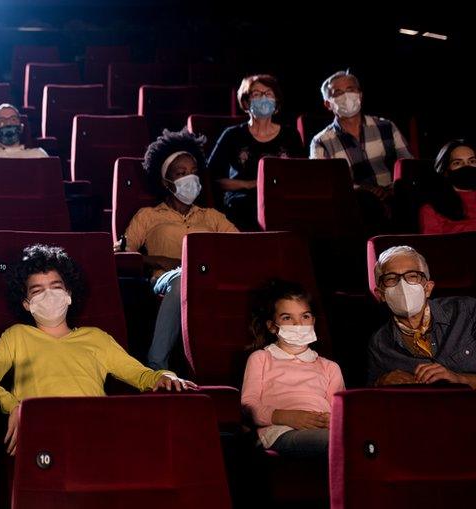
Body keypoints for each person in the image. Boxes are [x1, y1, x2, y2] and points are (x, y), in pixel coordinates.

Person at [0, 244, 196, 455]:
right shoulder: (16, 336)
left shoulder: (97, 337)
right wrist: (14, 407)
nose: (49, 295)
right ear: (26, 303)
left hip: (96, 436)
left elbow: (140, 375)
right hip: (41, 435)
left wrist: (165, 375)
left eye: (56, 287)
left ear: (69, 293)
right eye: (38, 291)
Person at [123, 129, 238, 370]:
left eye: (194, 172)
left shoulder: (213, 217)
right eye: (181, 173)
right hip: (166, 278)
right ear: (167, 181)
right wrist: (158, 260)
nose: (191, 178)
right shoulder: (148, 216)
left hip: (209, 278)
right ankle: (157, 365)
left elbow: (240, 247)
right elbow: (122, 254)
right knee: (181, 280)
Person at [241, 279, 344, 460]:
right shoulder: (261, 359)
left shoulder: (330, 367)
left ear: (313, 320)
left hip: (323, 429)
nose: (298, 324)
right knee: (338, 441)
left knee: (349, 438)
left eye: (305, 316)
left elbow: (341, 410)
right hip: (280, 431)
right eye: (287, 318)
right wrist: (287, 417)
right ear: (272, 326)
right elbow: (249, 405)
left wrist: (331, 419)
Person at [310, 71, 413, 227]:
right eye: (338, 92)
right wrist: (366, 192)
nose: (346, 96)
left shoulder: (386, 126)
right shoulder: (320, 141)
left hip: (396, 197)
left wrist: (392, 190)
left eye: (351, 89)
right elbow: (324, 184)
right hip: (354, 207)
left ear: (360, 95)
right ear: (328, 104)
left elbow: (408, 166)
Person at [368, 245, 476, 387]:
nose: (403, 285)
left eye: (412, 276)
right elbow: (371, 400)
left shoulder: (468, 311)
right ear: (380, 294)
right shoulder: (380, 344)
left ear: (428, 288)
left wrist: (460, 379)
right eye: (391, 278)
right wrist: (380, 383)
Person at [207, 75, 304, 230]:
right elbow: (211, 178)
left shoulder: (290, 135)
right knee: (243, 206)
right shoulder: (232, 135)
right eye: (257, 94)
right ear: (246, 102)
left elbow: (301, 176)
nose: (263, 98)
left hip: (280, 198)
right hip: (241, 200)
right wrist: (249, 185)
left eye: (268, 94)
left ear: (276, 101)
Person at [417, 139, 476, 234]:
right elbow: (433, 245)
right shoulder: (431, 209)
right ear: (445, 170)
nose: (466, 166)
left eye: (472, 161)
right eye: (457, 163)